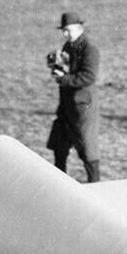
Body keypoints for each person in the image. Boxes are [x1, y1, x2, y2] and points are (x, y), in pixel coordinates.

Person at [46, 11, 101, 183]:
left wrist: (64, 79)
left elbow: (88, 77)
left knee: (88, 151)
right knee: (59, 147)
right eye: (63, 30)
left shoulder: (89, 49)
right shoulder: (68, 47)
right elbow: (70, 70)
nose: (65, 34)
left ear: (79, 28)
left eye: (68, 30)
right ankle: (60, 185)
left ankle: (96, 186)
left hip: (83, 109)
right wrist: (58, 70)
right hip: (66, 107)